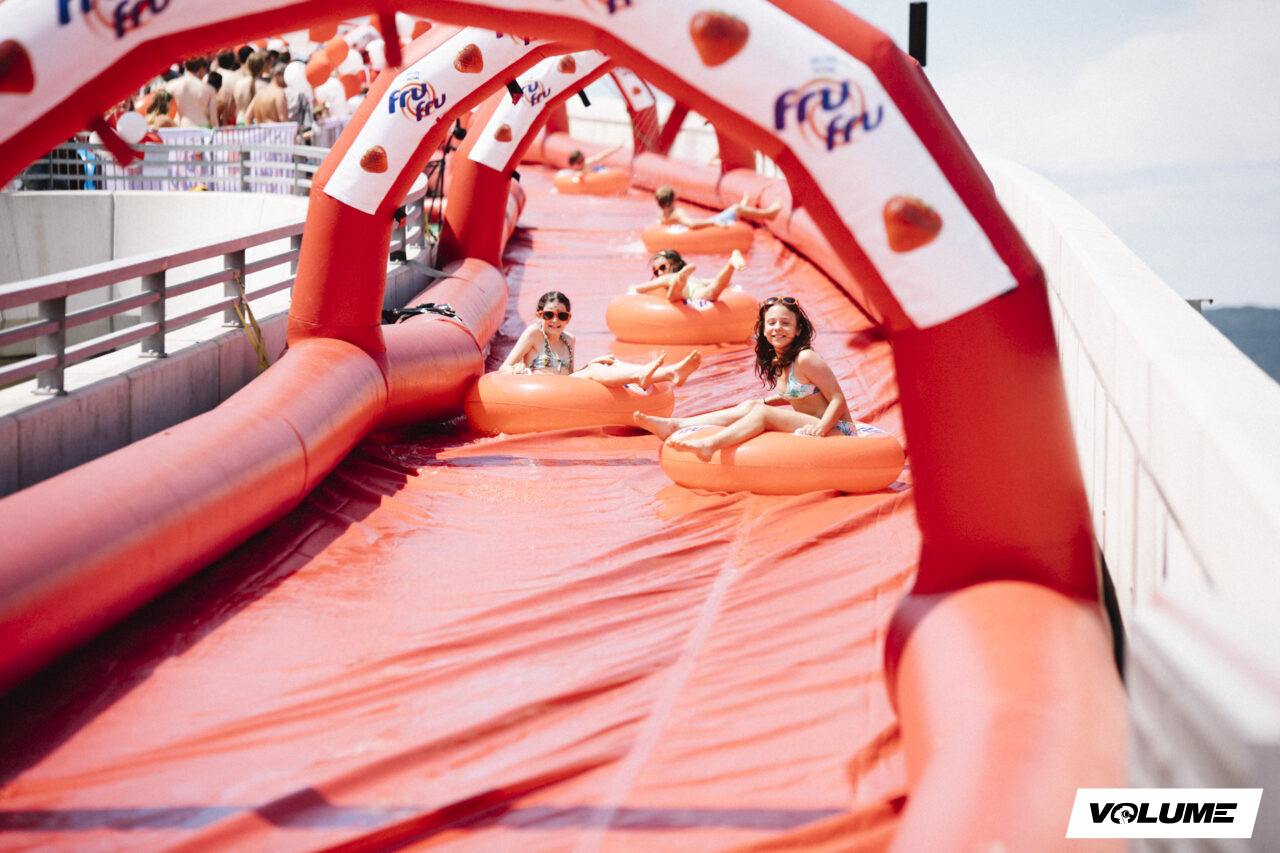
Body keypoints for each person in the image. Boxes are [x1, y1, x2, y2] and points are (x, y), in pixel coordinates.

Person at [633, 296, 855, 460]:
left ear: (798, 330)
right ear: (764, 329)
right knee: (753, 406)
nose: (778, 328)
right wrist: (764, 402)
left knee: (763, 413)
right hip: (810, 423)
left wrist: (821, 429)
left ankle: (710, 445)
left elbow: (837, 398)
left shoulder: (806, 358)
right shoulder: (780, 361)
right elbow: (802, 393)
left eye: (786, 323)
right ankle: (675, 425)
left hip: (837, 430)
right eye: (772, 323)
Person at [499, 291, 702, 387]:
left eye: (561, 316)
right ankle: (640, 376)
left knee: (608, 362)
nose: (554, 321)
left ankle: (669, 373)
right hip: (542, 389)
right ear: (539, 315)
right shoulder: (534, 334)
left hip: (564, 388)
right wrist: (518, 371)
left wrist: (591, 363)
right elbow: (504, 368)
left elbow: (570, 376)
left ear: (568, 318)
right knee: (594, 371)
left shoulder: (569, 339)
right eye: (549, 315)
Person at [631, 248, 746, 305]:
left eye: (662, 267)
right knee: (713, 290)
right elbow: (721, 282)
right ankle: (730, 265)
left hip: (688, 291)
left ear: (674, 264)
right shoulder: (695, 279)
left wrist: (631, 289)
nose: (659, 273)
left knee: (673, 297)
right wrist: (726, 283)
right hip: (697, 286)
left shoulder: (665, 278)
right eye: (655, 272)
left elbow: (641, 288)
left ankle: (678, 283)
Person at [654, 184, 781, 230]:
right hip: (711, 222)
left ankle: (744, 205)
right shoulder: (677, 213)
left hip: (709, 222)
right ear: (673, 199)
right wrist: (714, 224)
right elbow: (692, 224)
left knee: (736, 209)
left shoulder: (663, 215)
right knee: (737, 209)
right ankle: (769, 214)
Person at [165, 57, 219, 128]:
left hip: (183, 127)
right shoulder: (209, 89)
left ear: (184, 65)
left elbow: (164, 110)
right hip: (204, 128)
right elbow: (213, 118)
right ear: (201, 67)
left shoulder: (172, 85)